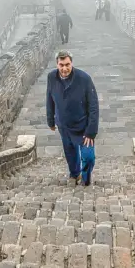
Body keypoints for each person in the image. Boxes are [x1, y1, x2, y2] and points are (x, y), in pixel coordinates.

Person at [46, 50, 99, 186]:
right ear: (57, 64)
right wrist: (50, 120)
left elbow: (93, 106)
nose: (64, 68)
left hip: (83, 126)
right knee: (70, 153)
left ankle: (85, 178)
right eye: (61, 65)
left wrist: (91, 131)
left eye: (67, 64)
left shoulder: (84, 78)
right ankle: (74, 174)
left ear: (72, 63)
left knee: (88, 157)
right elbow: (49, 99)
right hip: (64, 125)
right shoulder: (51, 77)